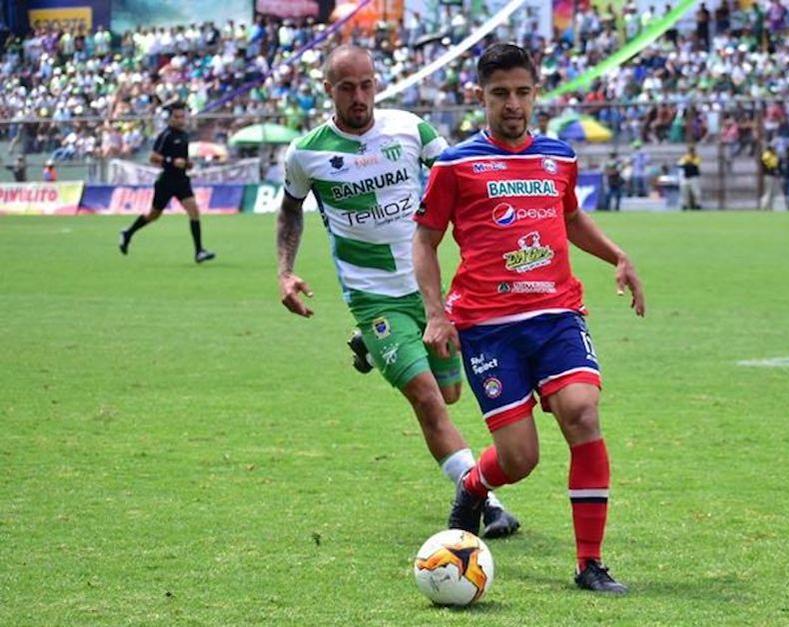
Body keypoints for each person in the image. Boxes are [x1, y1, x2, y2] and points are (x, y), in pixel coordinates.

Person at [413, 43, 646, 594]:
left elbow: (569, 218)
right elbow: (425, 241)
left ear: (535, 92)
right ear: (480, 97)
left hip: (557, 313)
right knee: (519, 459)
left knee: (583, 414)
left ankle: (589, 563)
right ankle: (474, 485)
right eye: (500, 94)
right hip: (489, 327)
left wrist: (618, 256)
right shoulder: (454, 164)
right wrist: (436, 313)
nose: (513, 104)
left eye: (522, 92)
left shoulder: (558, 156)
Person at [275, 45, 520, 539]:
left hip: (427, 291)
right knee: (428, 399)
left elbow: (462, 174)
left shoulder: (411, 129)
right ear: (329, 89)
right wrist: (286, 271)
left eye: (366, 85)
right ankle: (486, 501)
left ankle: (373, 345)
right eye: (347, 87)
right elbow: (290, 210)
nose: (359, 96)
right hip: (372, 296)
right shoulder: (307, 152)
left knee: (450, 393)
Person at [118, 102, 215, 263]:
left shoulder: (184, 135)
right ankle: (128, 233)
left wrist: (187, 163)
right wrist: (171, 161)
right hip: (166, 181)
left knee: (194, 211)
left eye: (182, 116)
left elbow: (182, 158)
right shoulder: (166, 135)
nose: (181, 120)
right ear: (170, 119)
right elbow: (153, 157)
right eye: (177, 117)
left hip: (182, 179)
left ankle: (199, 251)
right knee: (153, 215)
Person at [677, 144, 702, 210]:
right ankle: (685, 205)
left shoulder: (696, 157)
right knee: (684, 193)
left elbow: (695, 164)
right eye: (690, 150)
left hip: (694, 177)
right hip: (686, 177)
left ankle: (698, 205)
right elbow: (680, 164)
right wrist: (687, 161)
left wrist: (687, 162)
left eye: (692, 150)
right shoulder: (685, 157)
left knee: (696, 193)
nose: (691, 152)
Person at [759, 145, 782, 210]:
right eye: (774, 149)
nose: (775, 150)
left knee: (772, 193)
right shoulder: (768, 156)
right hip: (769, 176)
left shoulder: (768, 155)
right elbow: (773, 166)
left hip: (769, 175)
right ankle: (764, 206)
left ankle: (769, 207)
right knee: (768, 192)